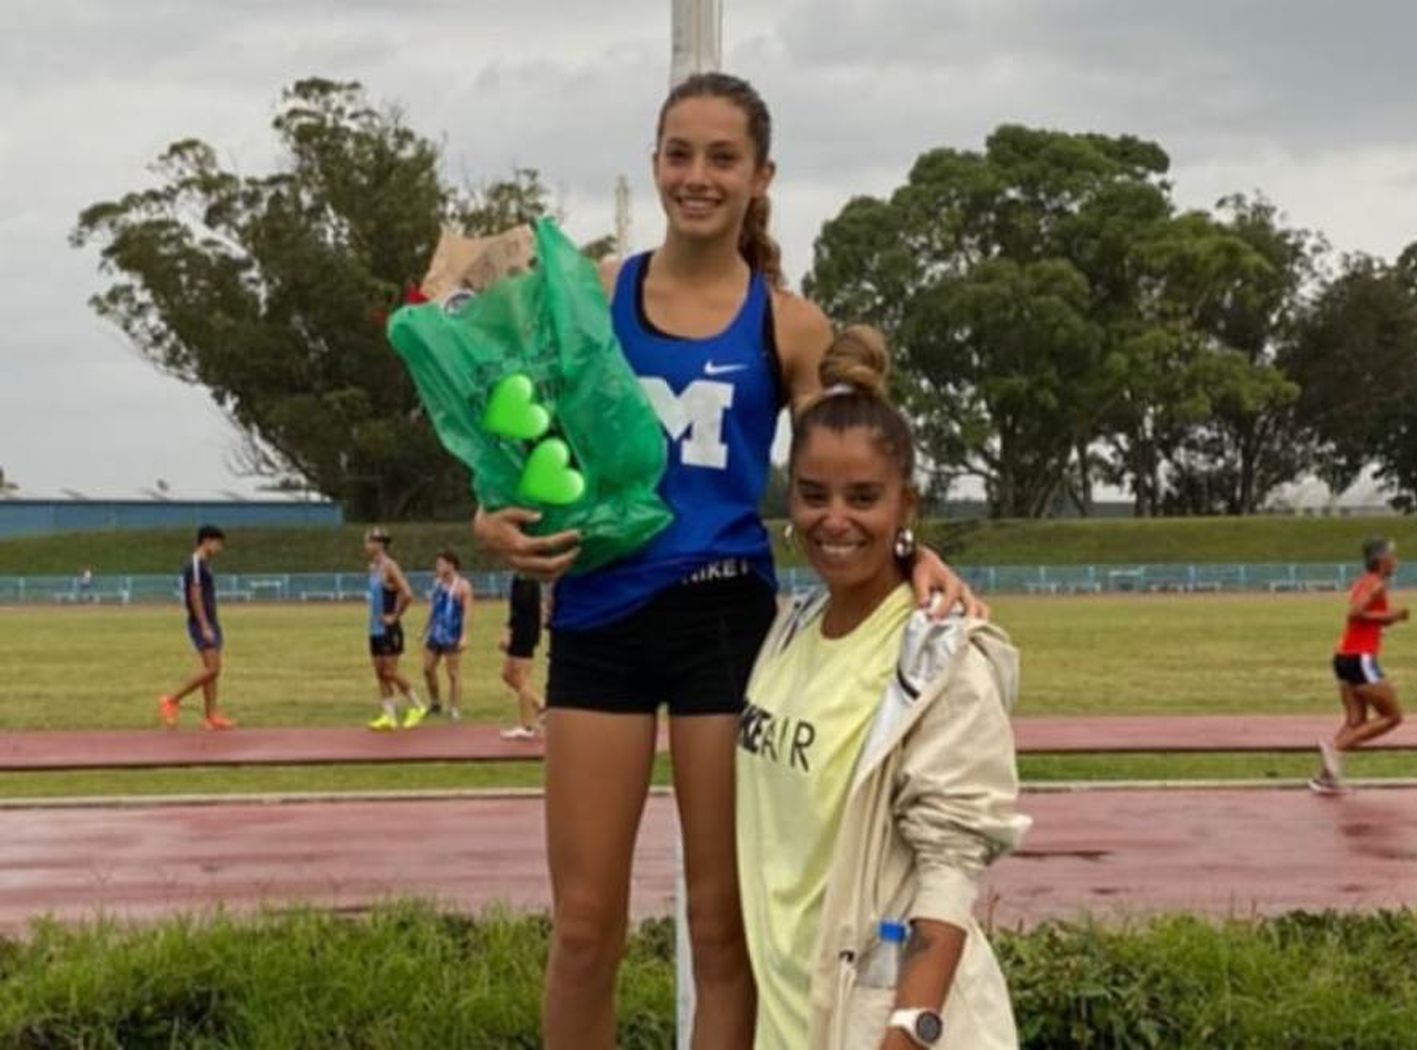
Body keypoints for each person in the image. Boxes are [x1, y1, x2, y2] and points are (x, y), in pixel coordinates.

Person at [471, 73, 984, 1049]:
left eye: (721, 158)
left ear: (761, 176)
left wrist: (917, 556)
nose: (696, 176)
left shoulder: (786, 324)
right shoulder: (597, 295)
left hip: (724, 628)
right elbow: (521, 438)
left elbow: (854, 465)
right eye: (678, 153)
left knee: (724, 929)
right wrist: (491, 519)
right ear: (655, 160)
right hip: (598, 620)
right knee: (584, 929)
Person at [736, 327, 1027, 1050]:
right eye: (813, 495)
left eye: (863, 497)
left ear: (906, 505)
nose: (833, 519)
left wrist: (905, 1033)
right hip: (786, 1017)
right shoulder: (788, 631)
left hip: (871, 1028)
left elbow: (950, 869)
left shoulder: (941, 662)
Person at [1312, 537, 1410, 794]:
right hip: (1359, 658)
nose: (1397, 561)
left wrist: (1389, 620)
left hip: (1343, 656)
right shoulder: (1376, 584)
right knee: (1392, 716)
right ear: (1382, 561)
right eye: (1393, 556)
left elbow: (1365, 618)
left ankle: (1326, 778)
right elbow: (1355, 613)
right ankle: (1335, 748)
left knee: (1355, 720)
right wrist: (1393, 615)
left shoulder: (1363, 582)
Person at [158, 525, 236, 730]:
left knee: (213, 671)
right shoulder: (195, 564)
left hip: (211, 621)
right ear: (206, 541)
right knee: (212, 669)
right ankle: (172, 699)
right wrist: (204, 625)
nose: (220, 548)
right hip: (202, 623)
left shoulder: (205, 564)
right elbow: (195, 595)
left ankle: (211, 715)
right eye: (218, 543)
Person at [363, 527, 424, 731]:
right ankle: (389, 716)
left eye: (369, 541)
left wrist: (395, 616)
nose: (365, 545)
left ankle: (417, 705)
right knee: (379, 673)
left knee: (390, 672)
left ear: (379, 544)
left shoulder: (390, 567)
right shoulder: (372, 567)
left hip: (389, 628)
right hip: (374, 627)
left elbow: (407, 593)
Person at [421, 550, 474, 721]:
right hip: (436, 633)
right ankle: (435, 702)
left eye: (441, 564)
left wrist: (464, 635)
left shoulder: (463, 586)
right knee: (428, 668)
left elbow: (467, 612)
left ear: (451, 565)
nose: (438, 567)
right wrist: (425, 629)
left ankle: (454, 707)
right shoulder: (437, 583)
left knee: (453, 673)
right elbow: (432, 607)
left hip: (452, 633)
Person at [499, 573, 546, 740]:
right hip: (522, 630)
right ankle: (540, 704)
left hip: (524, 631)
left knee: (521, 676)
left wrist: (509, 632)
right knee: (507, 674)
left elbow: (522, 608)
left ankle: (527, 726)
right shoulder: (519, 577)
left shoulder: (528, 578)